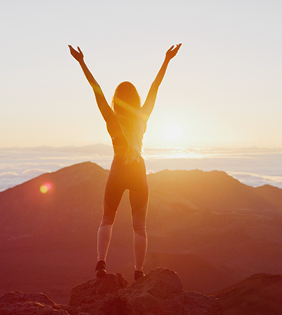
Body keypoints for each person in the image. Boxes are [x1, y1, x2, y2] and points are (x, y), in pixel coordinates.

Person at [69, 44, 181, 281]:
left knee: (107, 219)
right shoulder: (143, 117)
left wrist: (81, 62)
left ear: (117, 99)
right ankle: (139, 272)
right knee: (140, 227)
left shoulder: (111, 118)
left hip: (118, 169)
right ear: (136, 99)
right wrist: (166, 61)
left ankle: (101, 263)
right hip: (138, 170)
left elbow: (96, 89)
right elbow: (155, 87)